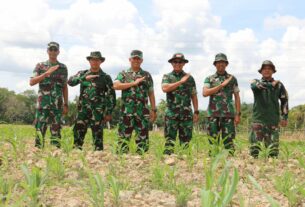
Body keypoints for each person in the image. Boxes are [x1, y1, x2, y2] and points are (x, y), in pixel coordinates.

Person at [68, 51, 116, 150]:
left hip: (98, 111)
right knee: (78, 132)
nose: (94, 62)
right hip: (83, 110)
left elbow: (111, 96)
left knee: (97, 135)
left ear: (101, 61)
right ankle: (76, 152)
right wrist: (83, 78)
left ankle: (98, 156)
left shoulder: (106, 77)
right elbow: (70, 82)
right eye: (92, 59)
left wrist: (109, 112)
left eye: (97, 60)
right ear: (89, 61)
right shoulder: (83, 73)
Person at [113, 50, 156, 153]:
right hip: (126, 112)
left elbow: (151, 93)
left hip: (142, 112)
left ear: (141, 60)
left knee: (142, 142)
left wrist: (154, 110)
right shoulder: (123, 74)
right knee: (123, 141)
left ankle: (141, 163)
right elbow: (115, 85)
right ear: (130, 59)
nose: (136, 60)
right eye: (134, 58)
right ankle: (122, 163)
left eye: (138, 58)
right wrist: (133, 83)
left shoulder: (146, 75)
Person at [30, 42, 68, 148]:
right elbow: (32, 82)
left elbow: (64, 86)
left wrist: (66, 104)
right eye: (50, 49)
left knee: (56, 132)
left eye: (55, 50)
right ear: (47, 51)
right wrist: (46, 73)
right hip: (43, 105)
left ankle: (55, 155)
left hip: (57, 106)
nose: (53, 52)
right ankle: (38, 155)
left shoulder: (63, 68)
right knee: (39, 130)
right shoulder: (40, 66)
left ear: (58, 52)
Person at [249, 60, 288, 158]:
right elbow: (256, 86)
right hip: (258, 120)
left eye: (269, 69)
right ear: (261, 71)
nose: (267, 70)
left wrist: (285, 117)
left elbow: (284, 101)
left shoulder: (279, 85)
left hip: (273, 121)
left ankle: (273, 170)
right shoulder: (255, 82)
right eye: (264, 69)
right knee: (254, 150)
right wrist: (271, 85)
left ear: (273, 71)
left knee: (273, 151)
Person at [203, 53, 241, 153]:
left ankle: (230, 162)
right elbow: (205, 93)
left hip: (228, 114)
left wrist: (238, 114)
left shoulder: (232, 79)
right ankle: (213, 163)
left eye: (223, 62)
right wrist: (220, 86)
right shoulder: (209, 78)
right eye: (218, 62)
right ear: (215, 64)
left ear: (226, 64)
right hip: (213, 114)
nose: (221, 64)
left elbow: (237, 97)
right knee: (213, 140)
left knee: (229, 140)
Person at [162, 53, 199, 154]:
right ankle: (168, 161)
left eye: (180, 62)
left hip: (186, 114)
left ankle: (185, 163)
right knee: (169, 139)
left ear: (183, 64)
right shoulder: (167, 76)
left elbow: (194, 96)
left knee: (186, 140)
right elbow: (165, 88)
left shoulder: (190, 78)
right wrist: (180, 82)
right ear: (172, 63)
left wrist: (196, 112)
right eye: (175, 62)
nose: (177, 64)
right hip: (171, 113)